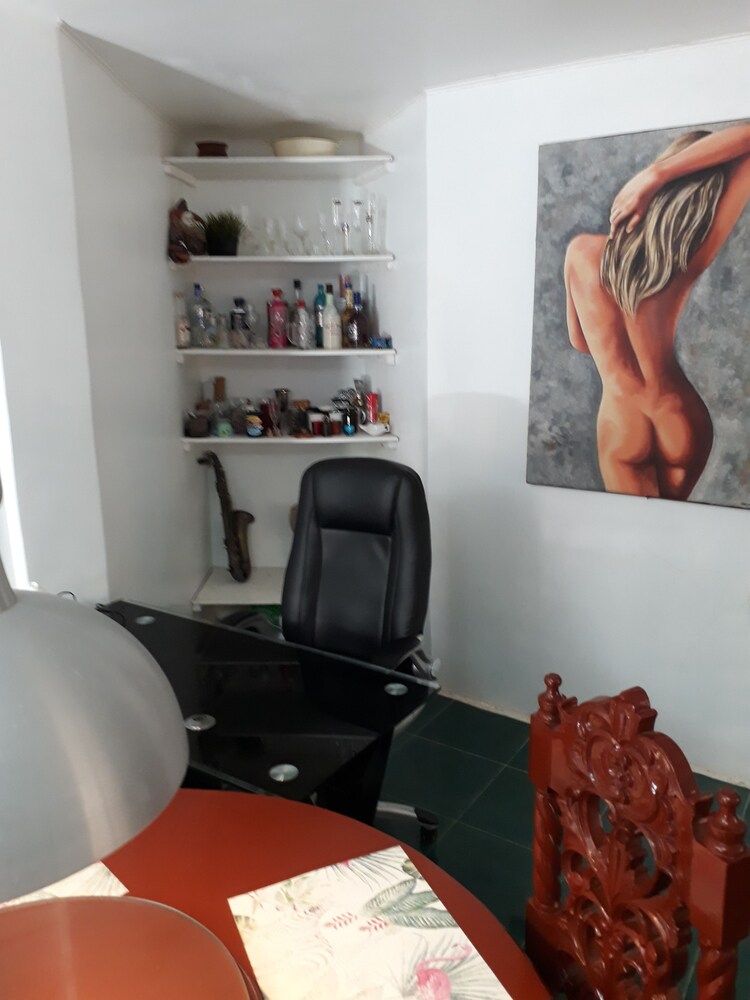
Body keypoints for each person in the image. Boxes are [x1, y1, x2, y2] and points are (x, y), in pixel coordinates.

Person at [564, 123, 750, 500]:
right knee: (675, 526)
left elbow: (581, 342)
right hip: (680, 417)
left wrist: (653, 173)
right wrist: (658, 176)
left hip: (622, 422)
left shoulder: (580, 253)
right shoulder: (684, 262)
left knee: (636, 532)